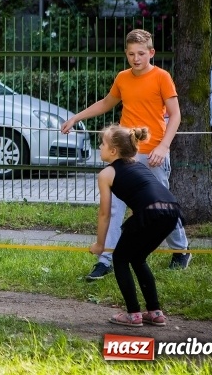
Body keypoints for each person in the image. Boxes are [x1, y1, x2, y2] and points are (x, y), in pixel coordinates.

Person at [61, 28, 191, 280]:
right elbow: (107, 103)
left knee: (160, 206)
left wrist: (163, 147)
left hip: (153, 153)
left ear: (151, 53)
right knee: (114, 207)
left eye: (141, 53)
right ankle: (106, 258)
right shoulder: (122, 78)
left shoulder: (162, 77)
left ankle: (181, 250)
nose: (136, 58)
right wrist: (76, 117)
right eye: (131, 53)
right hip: (125, 153)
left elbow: (175, 115)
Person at [92, 124, 182, 327]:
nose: (100, 147)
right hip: (172, 211)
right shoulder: (138, 166)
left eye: (102, 144)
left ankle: (133, 314)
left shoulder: (106, 174)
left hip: (151, 212)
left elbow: (105, 214)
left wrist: (99, 245)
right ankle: (155, 312)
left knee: (120, 258)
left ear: (113, 150)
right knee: (138, 258)